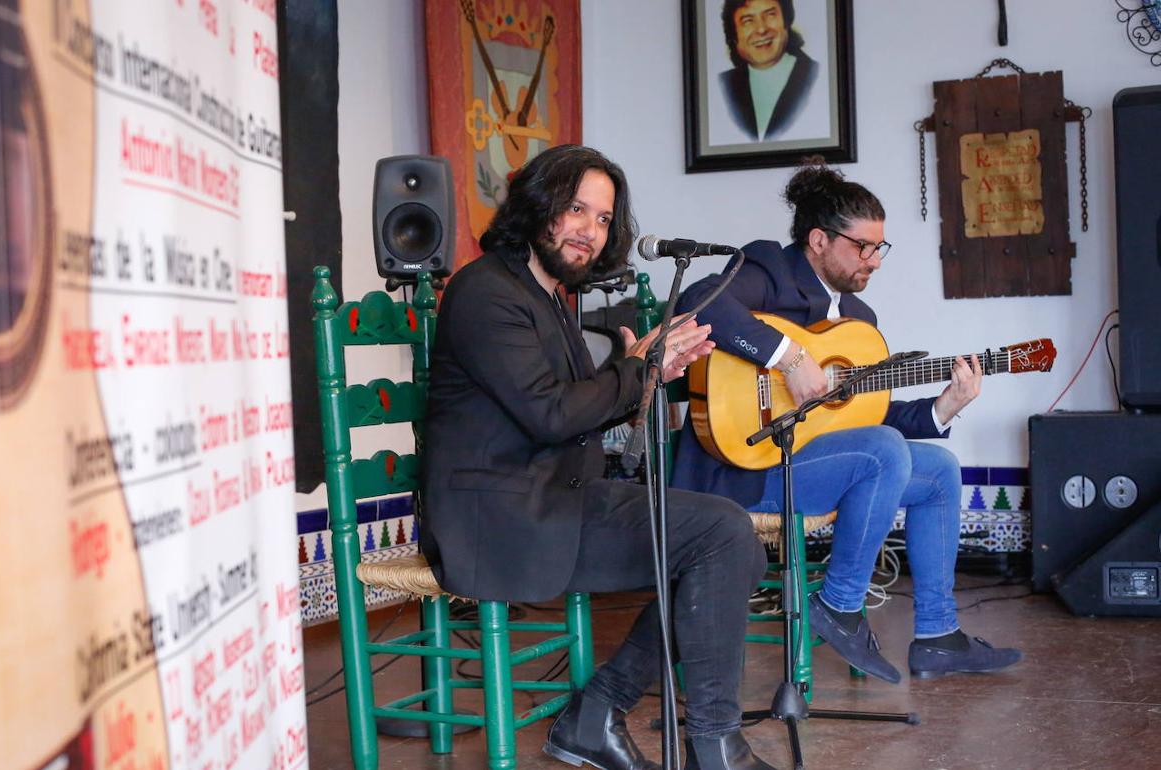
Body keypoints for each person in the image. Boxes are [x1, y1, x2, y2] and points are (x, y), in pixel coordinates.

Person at [422, 144, 779, 770]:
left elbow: (572, 411)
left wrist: (645, 375)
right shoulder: (486, 292)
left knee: (735, 542)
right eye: (576, 209)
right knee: (722, 535)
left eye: (604, 218)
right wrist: (637, 370)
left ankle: (606, 712)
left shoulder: (548, 296)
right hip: (497, 522)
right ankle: (709, 744)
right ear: (538, 205)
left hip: (550, 498)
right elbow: (551, 415)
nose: (590, 229)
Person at [671, 162, 1023, 683]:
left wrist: (945, 406)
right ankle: (839, 604)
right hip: (744, 467)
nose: (875, 260)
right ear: (819, 240)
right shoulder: (770, 268)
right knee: (884, 450)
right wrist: (791, 358)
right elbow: (697, 304)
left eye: (880, 247)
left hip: (811, 463)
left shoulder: (859, 321)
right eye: (863, 247)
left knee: (939, 470)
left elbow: (867, 416)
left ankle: (938, 635)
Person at [719, 0, 818, 140]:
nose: (761, 29)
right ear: (734, 35)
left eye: (770, 15)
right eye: (748, 21)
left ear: (786, 22)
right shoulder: (722, 86)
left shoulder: (818, 77)